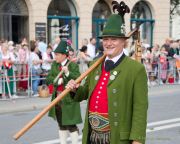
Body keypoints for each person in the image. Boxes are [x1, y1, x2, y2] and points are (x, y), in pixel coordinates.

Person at [66, 1, 148, 144]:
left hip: (116, 137)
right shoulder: (95, 65)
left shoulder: (135, 69)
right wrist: (76, 89)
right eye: (105, 39)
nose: (108, 43)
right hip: (92, 135)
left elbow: (140, 108)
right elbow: (86, 93)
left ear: (124, 42)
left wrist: (137, 140)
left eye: (113, 39)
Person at [46, 40, 82, 144]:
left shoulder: (73, 66)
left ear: (64, 55)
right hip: (57, 100)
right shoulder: (54, 65)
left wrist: (67, 73)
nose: (55, 57)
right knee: (61, 124)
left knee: (71, 124)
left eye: (57, 54)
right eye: (55, 54)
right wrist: (57, 81)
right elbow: (49, 79)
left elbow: (77, 79)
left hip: (69, 100)